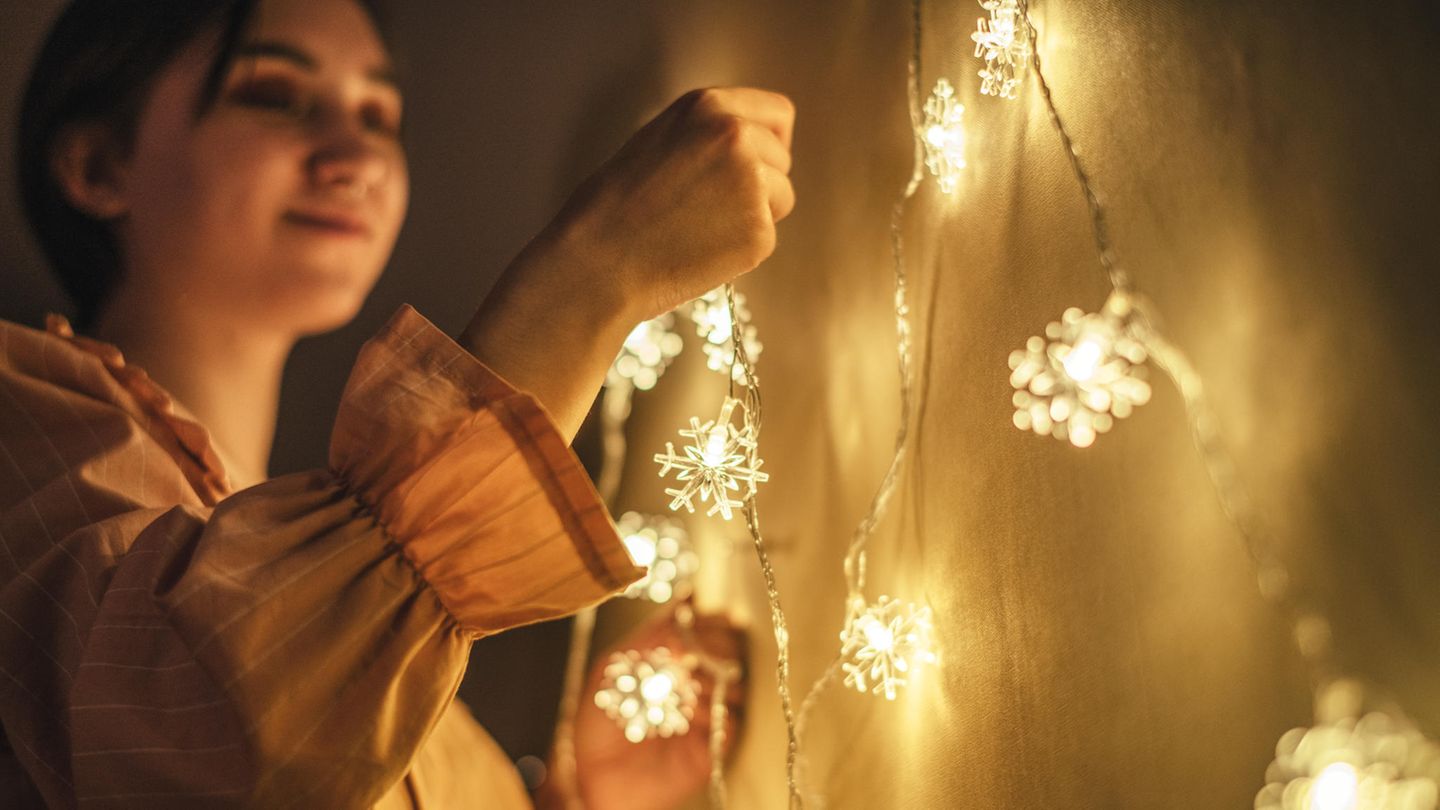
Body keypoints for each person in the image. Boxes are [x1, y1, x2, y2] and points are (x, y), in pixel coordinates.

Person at [0, 0, 795, 807]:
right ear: (100, 165)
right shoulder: (16, 416)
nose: (357, 155)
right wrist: (593, 275)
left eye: (379, 116)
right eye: (276, 95)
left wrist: (587, 790)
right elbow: (209, 746)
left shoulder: (364, 618)